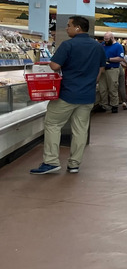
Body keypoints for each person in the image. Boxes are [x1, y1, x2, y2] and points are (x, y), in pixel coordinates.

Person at [31, 16, 105, 174]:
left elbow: (55, 65)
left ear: (78, 28)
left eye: (69, 25)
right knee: (80, 130)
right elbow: (100, 70)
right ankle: (74, 164)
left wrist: (54, 65)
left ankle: (51, 161)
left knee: (53, 124)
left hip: (67, 94)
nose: (66, 28)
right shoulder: (97, 46)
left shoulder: (68, 45)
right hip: (87, 95)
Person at [97, 31, 124, 113]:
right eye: (105, 39)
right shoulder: (102, 45)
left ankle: (114, 105)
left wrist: (109, 59)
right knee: (102, 89)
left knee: (113, 88)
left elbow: (121, 58)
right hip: (102, 69)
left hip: (113, 69)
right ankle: (104, 105)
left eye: (107, 39)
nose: (106, 41)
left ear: (112, 38)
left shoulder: (118, 46)